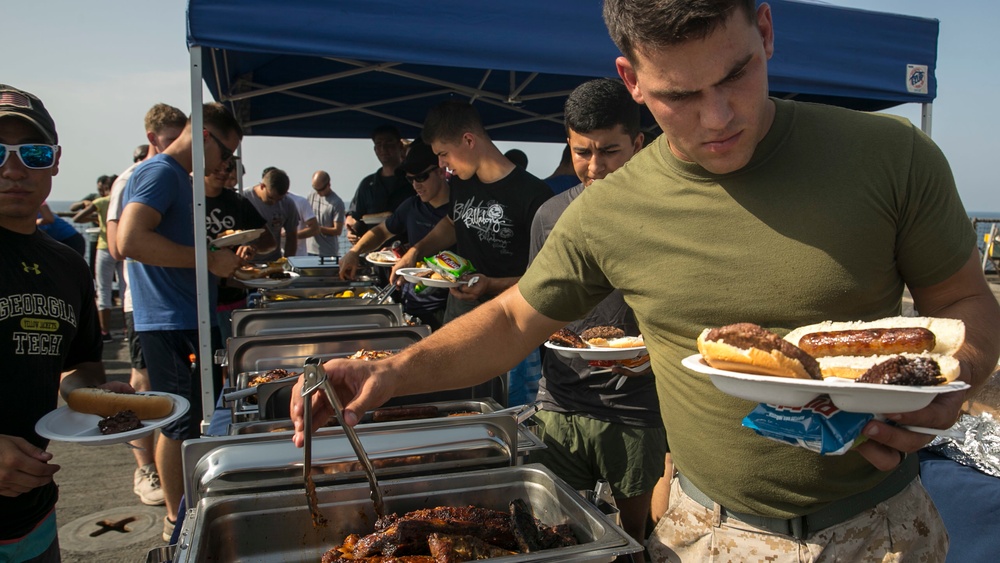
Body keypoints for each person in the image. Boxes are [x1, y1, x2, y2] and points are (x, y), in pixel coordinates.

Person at [292, 1, 1000, 561]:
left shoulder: (892, 157)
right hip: (707, 534)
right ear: (631, 82)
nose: (717, 117)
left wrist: (947, 387)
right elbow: (513, 320)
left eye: (735, 75)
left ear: (765, 30)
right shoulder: (610, 208)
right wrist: (389, 371)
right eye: (679, 95)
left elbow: (966, 305)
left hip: (881, 529)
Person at [527, 78, 664, 561]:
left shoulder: (665, 214)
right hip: (561, 400)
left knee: (636, 539)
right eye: (582, 151)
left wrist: (650, 356)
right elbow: (537, 309)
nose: (594, 166)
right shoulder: (549, 215)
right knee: (558, 539)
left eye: (610, 151)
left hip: (636, 406)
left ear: (638, 144)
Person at [0, 83, 133, 563]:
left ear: (55, 161)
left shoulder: (67, 264)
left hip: (33, 519)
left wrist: (95, 400)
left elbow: (75, 368)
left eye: (32, 153)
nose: (13, 169)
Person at [118, 102, 244, 540]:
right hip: (171, 320)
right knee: (177, 422)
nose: (228, 165)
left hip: (185, 315)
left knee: (188, 419)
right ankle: (176, 520)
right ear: (206, 135)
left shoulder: (175, 177)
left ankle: (184, 509)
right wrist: (208, 260)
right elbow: (129, 239)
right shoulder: (161, 173)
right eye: (228, 154)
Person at [390, 101, 553, 404]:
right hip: (460, 317)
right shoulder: (463, 183)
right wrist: (417, 249)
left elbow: (544, 278)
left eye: (443, 154)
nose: (441, 164)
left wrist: (490, 284)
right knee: (459, 403)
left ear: (468, 140)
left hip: (512, 326)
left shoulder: (534, 195)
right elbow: (452, 224)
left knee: (509, 409)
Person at [106, 103, 188, 508]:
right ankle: (147, 470)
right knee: (145, 389)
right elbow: (119, 245)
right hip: (144, 306)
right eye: (171, 140)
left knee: (168, 404)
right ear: (153, 139)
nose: (179, 148)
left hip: (170, 307)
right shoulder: (137, 177)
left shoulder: (176, 176)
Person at [340, 138, 450, 330]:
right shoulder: (411, 206)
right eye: (410, 179)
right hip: (411, 303)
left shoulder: (461, 208)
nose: (415, 185)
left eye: (421, 177)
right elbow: (382, 231)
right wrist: (355, 252)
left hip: (447, 308)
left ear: (441, 171)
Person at [205, 158, 274, 342]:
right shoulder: (187, 200)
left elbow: (269, 241)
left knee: (230, 358)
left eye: (228, 170)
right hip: (194, 301)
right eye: (217, 167)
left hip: (232, 299)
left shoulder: (237, 202)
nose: (224, 174)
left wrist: (252, 246)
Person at [345, 125, 415, 244]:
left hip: (409, 252)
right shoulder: (367, 185)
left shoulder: (415, 179)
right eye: (379, 144)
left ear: (400, 146)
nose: (383, 148)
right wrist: (352, 232)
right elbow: (357, 217)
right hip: (375, 255)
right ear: (375, 150)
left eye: (389, 143)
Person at [72, 175, 120, 342]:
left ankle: (105, 332)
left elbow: (76, 217)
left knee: (103, 290)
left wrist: (99, 218)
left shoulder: (101, 202)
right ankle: (130, 330)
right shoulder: (125, 200)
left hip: (104, 246)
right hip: (121, 247)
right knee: (127, 291)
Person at [242, 167, 298, 262]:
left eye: (279, 199)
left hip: (272, 261)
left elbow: (292, 237)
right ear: (262, 186)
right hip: (245, 261)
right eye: (271, 198)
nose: (274, 203)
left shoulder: (288, 204)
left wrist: (287, 262)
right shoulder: (244, 199)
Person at [306, 170, 346, 257]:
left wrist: (317, 229)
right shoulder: (311, 196)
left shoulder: (337, 203)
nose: (317, 192)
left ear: (328, 185)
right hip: (308, 249)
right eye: (315, 189)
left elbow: (337, 230)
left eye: (320, 190)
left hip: (327, 253)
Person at [284, 190, 318, 256]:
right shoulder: (265, 203)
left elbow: (315, 229)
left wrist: (290, 235)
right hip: (273, 258)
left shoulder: (300, 202)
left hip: (298, 256)